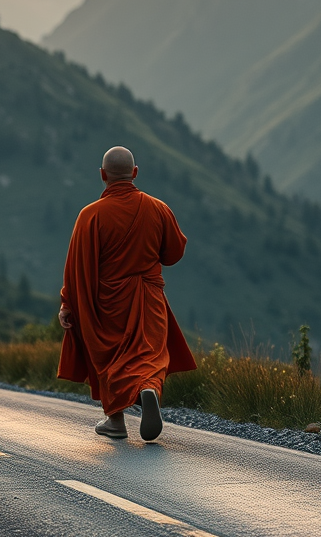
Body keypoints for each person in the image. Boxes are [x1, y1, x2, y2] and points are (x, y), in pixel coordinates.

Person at [56, 146, 197, 441]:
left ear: (103, 175)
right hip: (148, 297)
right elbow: (174, 253)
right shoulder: (158, 208)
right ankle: (148, 388)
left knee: (112, 357)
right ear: (134, 173)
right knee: (149, 352)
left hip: (107, 301)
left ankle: (116, 421)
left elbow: (77, 266)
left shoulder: (90, 216)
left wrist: (68, 303)